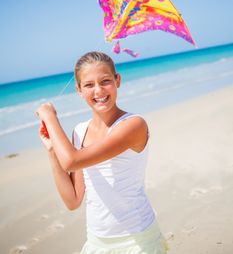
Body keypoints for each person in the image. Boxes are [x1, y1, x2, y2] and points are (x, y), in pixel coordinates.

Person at [36, 51, 168, 254]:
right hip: (97, 241)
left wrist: (50, 116)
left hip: (137, 240)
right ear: (79, 90)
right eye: (88, 85)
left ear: (118, 81)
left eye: (105, 81)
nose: (98, 91)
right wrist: (53, 151)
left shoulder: (133, 125)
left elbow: (71, 161)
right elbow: (73, 200)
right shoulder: (79, 132)